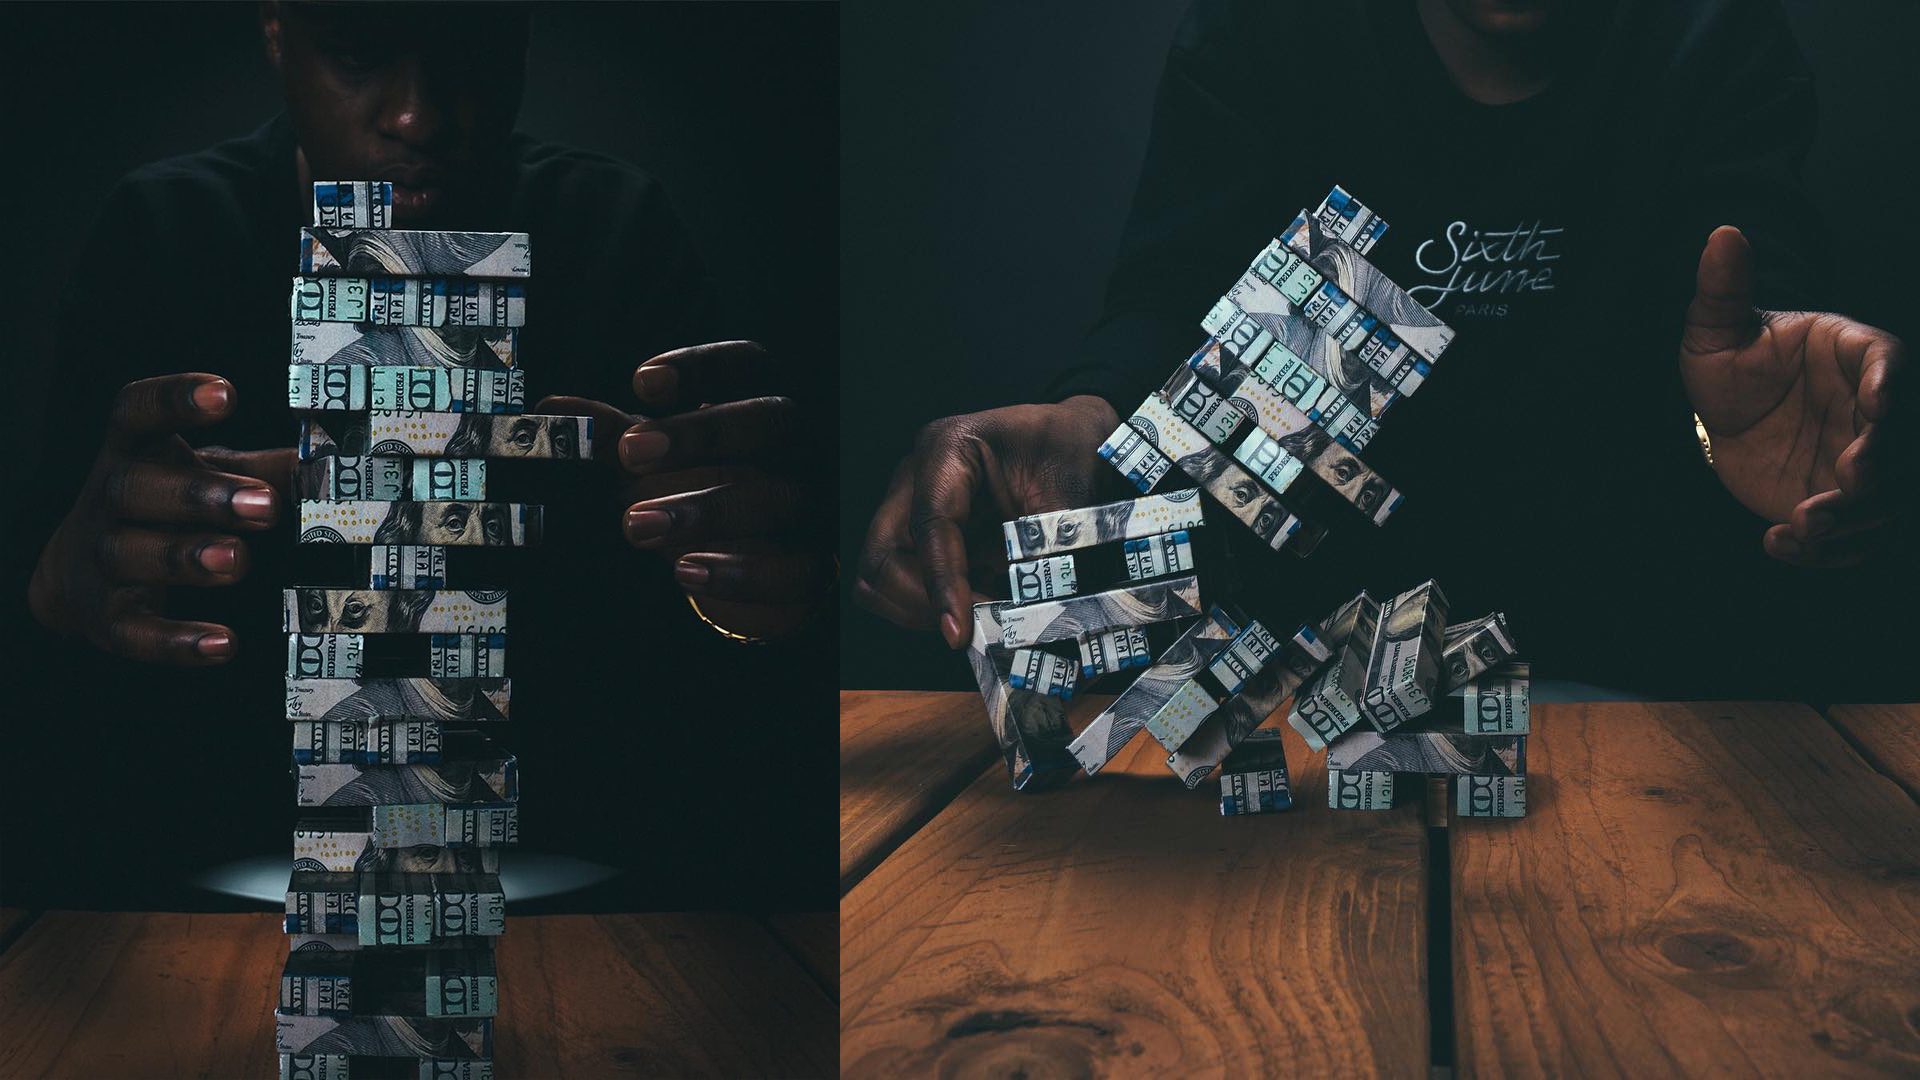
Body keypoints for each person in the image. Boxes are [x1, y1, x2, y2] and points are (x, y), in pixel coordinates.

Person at [12, 2, 832, 907]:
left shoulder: (613, 226)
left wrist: (755, 594)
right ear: (277, 29)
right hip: (203, 874)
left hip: (570, 874)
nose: (421, 118)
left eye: (470, 54)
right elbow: (59, 655)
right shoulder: (162, 233)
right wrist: (57, 594)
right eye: (359, 55)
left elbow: (717, 690)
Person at [856, 0, 1911, 697]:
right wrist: (1088, 416)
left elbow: (1751, 321)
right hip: (1312, 675)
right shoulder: (1263, 33)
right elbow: (1175, 302)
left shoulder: (1715, 36)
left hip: (1649, 667)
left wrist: (1748, 417)